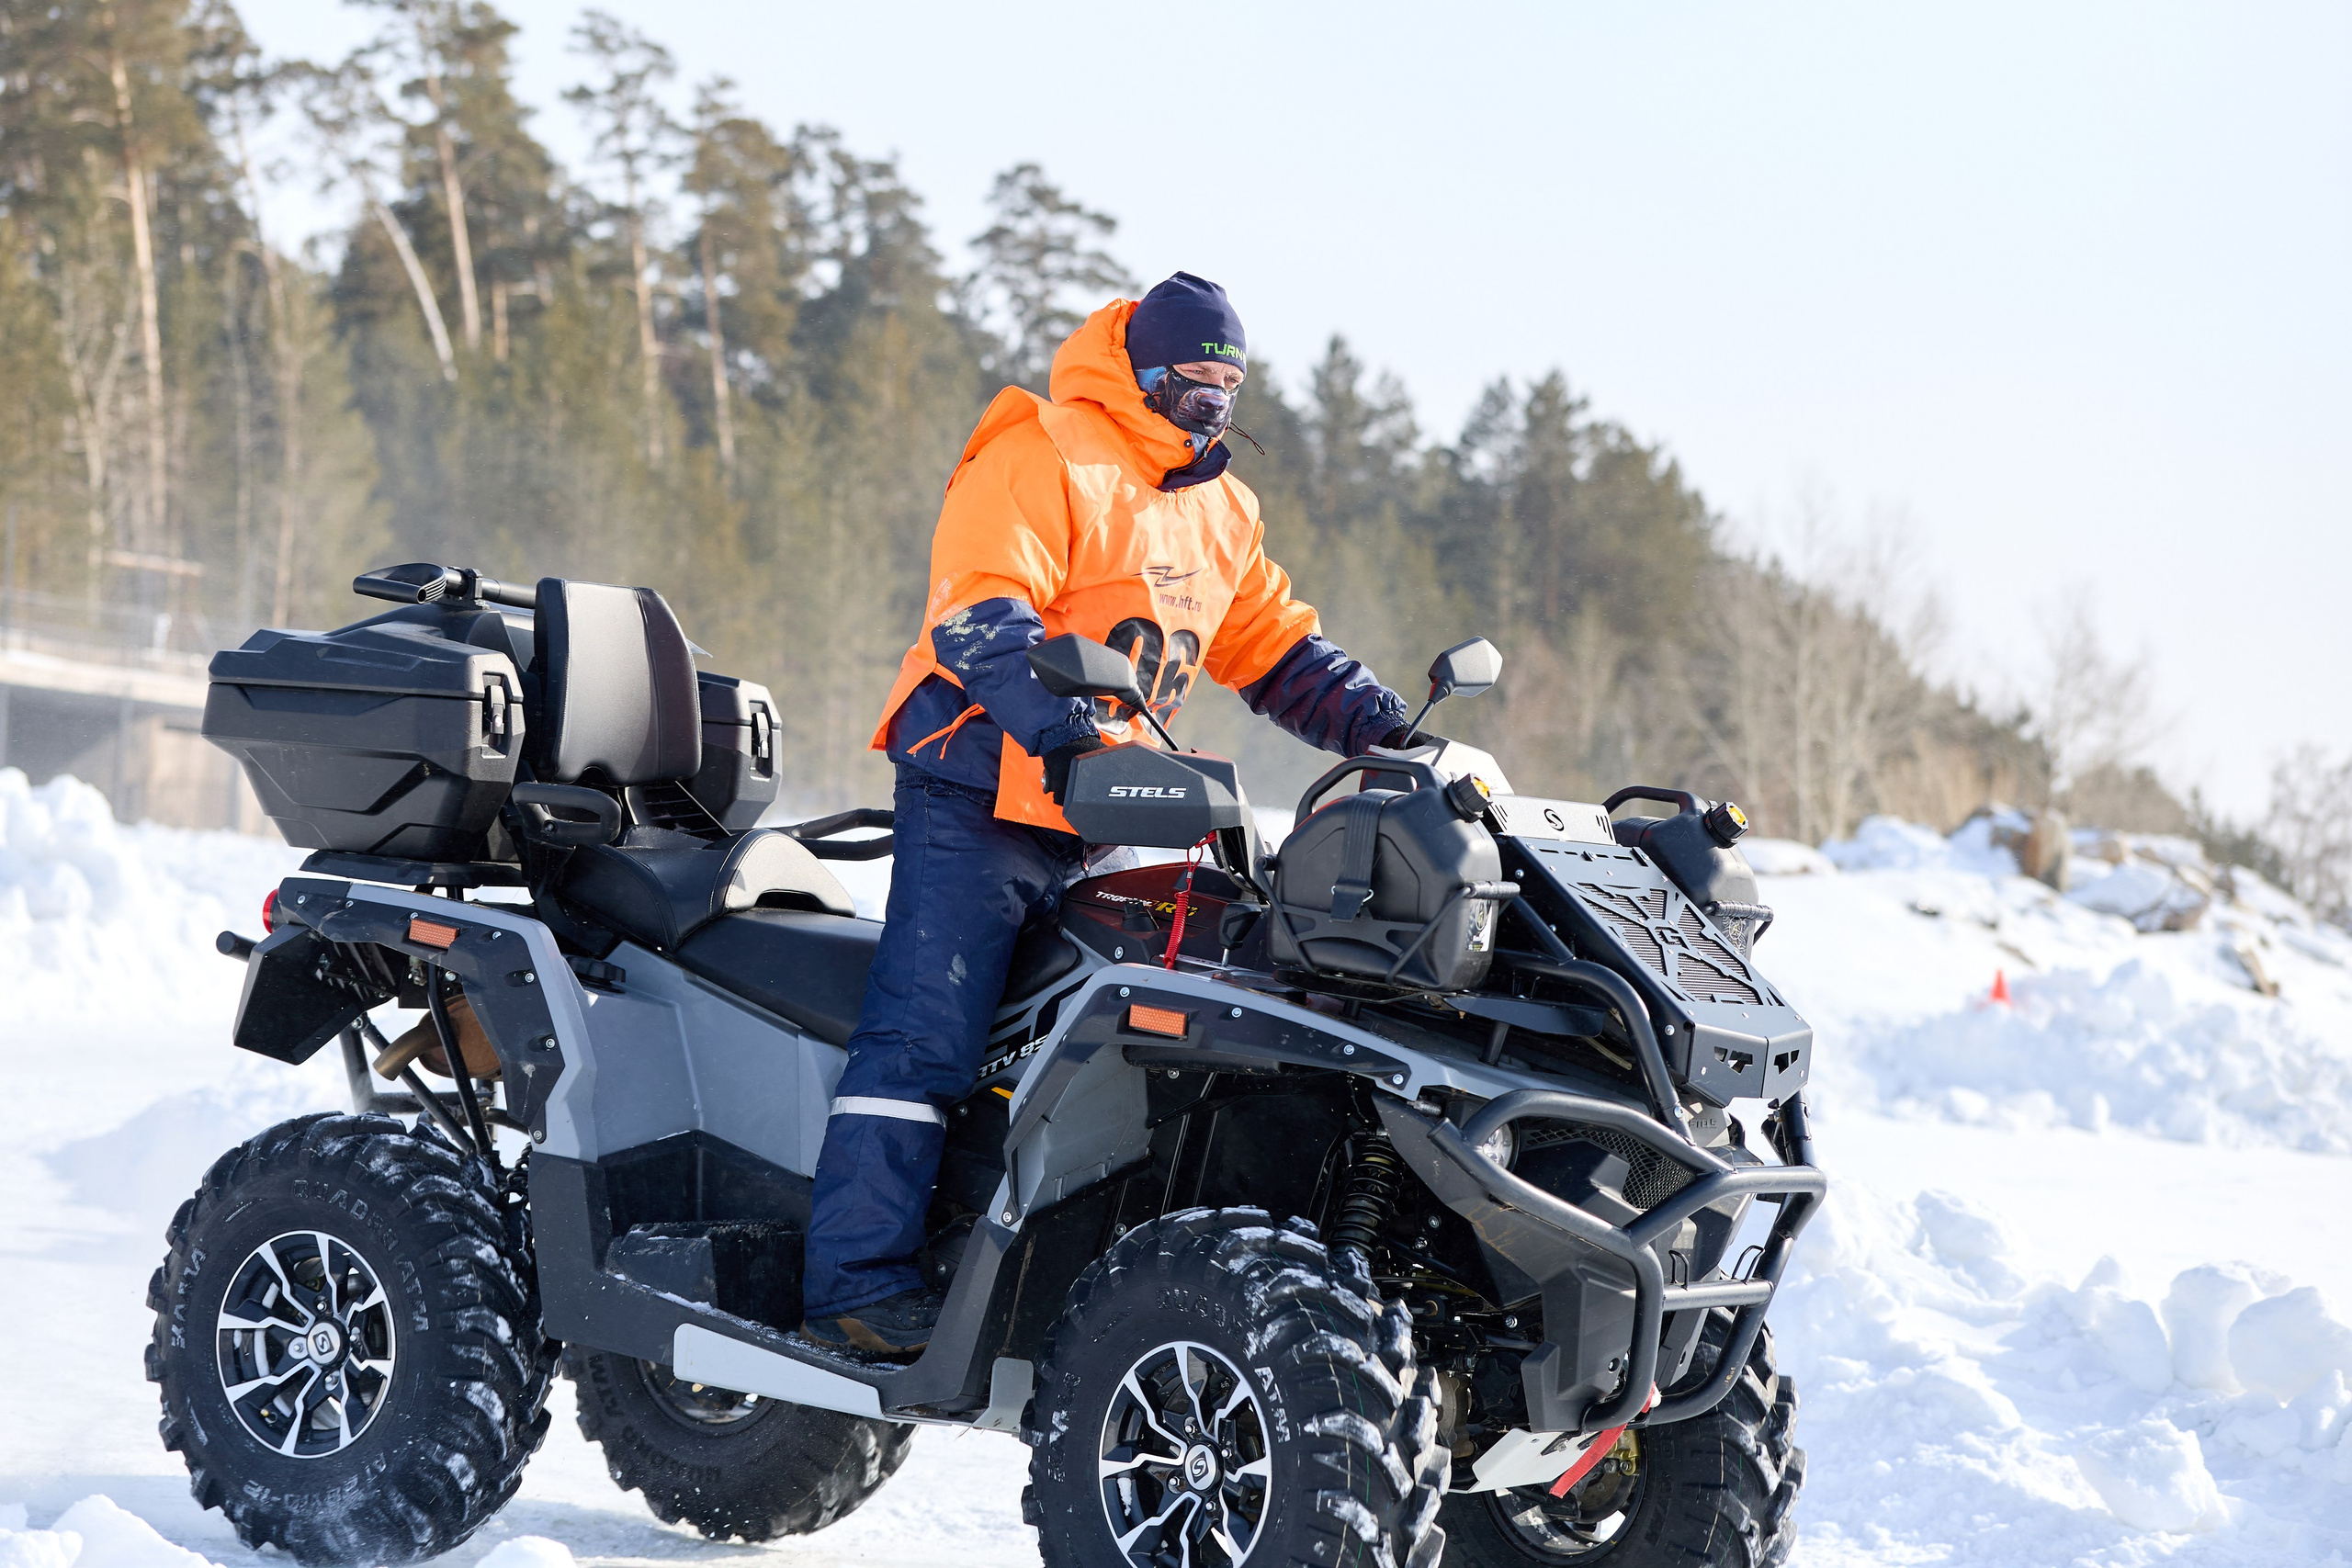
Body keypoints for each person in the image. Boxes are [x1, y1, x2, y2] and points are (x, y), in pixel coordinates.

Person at [798, 273, 1420, 1357]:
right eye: (1193, 380)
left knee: (1123, 1032)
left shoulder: (1221, 506)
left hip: (1112, 799)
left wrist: (1384, 728)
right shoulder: (1044, 450)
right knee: (929, 1031)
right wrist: (1060, 722)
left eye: (1230, 384)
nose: (1212, 402)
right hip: (983, 782)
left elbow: (1269, 646)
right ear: (1141, 370)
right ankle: (857, 1281)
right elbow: (981, 605)